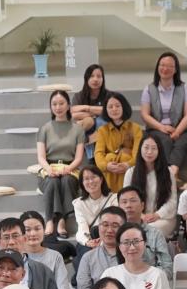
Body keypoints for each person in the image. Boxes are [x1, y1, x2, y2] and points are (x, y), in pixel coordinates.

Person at [101, 223, 171, 289]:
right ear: (119, 246)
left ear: (145, 243)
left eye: (136, 241)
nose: (132, 247)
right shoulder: (109, 274)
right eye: (126, 242)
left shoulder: (158, 275)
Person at [35, 90, 86, 236]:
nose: (58, 107)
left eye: (61, 103)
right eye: (54, 104)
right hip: (49, 168)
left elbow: (79, 158)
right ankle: (50, 220)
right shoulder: (44, 129)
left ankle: (62, 220)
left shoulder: (78, 129)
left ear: (68, 105)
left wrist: (68, 168)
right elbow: (41, 157)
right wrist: (49, 169)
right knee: (52, 182)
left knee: (66, 181)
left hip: (70, 168)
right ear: (50, 107)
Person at [139, 50, 187, 178]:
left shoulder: (184, 88)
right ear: (157, 67)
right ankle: (166, 174)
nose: (165, 69)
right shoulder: (149, 89)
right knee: (165, 140)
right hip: (156, 128)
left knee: (182, 141)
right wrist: (162, 127)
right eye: (162, 65)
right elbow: (145, 115)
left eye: (170, 66)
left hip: (178, 127)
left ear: (175, 70)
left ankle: (173, 172)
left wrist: (177, 131)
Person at [116, 185, 173, 277]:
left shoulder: (155, 234)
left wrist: (147, 280)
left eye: (133, 201)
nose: (128, 205)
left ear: (142, 205)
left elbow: (167, 268)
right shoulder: (113, 233)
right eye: (124, 202)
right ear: (118, 206)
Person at [127, 135, 177, 240]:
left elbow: (172, 201)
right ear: (140, 149)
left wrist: (157, 215)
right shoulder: (130, 172)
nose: (149, 152)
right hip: (136, 217)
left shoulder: (168, 172)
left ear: (159, 151)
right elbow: (126, 200)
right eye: (146, 147)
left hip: (162, 218)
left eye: (154, 148)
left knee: (149, 230)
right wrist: (141, 216)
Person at [75, 206, 126, 289]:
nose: (109, 230)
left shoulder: (132, 254)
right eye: (105, 225)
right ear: (98, 227)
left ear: (124, 229)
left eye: (115, 225)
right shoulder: (88, 258)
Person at [21, 210, 74, 289]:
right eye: (27, 230)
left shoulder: (55, 256)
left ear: (44, 230)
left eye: (37, 229)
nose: (33, 233)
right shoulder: (16, 257)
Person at [92, 92, 141, 192]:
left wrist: (128, 164)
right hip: (109, 171)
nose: (114, 109)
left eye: (117, 106)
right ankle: (110, 194)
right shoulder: (102, 130)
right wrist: (107, 166)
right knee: (109, 158)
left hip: (130, 170)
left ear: (124, 107)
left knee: (124, 157)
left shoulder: (135, 128)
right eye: (110, 107)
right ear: (106, 110)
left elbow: (138, 154)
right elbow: (98, 154)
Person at [71, 162, 118, 258]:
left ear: (101, 179)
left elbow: (115, 224)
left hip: (110, 238)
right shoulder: (78, 203)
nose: (91, 181)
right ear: (82, 183)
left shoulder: (114, 198)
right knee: (85, 256)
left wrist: (102, 241)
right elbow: (82, 227)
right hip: (89, 239)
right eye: (86, 179)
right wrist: (88, 242)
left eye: (93, 177)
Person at [71, 63, 110, 151]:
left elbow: (108, 111)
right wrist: (96, 113)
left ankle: (84, 141)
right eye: (92, 76)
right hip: (85, 126)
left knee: (100, 123)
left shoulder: (108, 95)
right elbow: (74, 114)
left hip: (102, 128)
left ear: (103, 79)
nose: (95, 79)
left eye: (99, 76)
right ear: (86, 78)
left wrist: (87, 108)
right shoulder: (79, 96)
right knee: (88, 121)